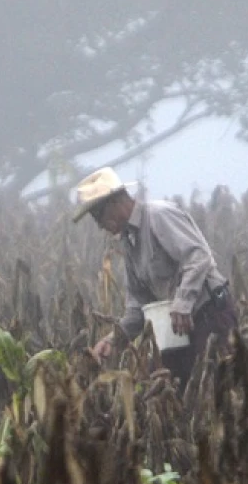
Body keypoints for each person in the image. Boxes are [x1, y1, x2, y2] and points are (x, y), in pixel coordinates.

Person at [73, 167, 238, 389]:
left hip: (209, 315)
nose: (99, 225)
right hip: (177, 328)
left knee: (212, 389)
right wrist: (113, 340)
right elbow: (138, 306)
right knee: (161, 387)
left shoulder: (159, 216)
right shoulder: (129, 241)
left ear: (115, 202)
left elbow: (198, 256)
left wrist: (183, 302)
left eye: (97, 215)